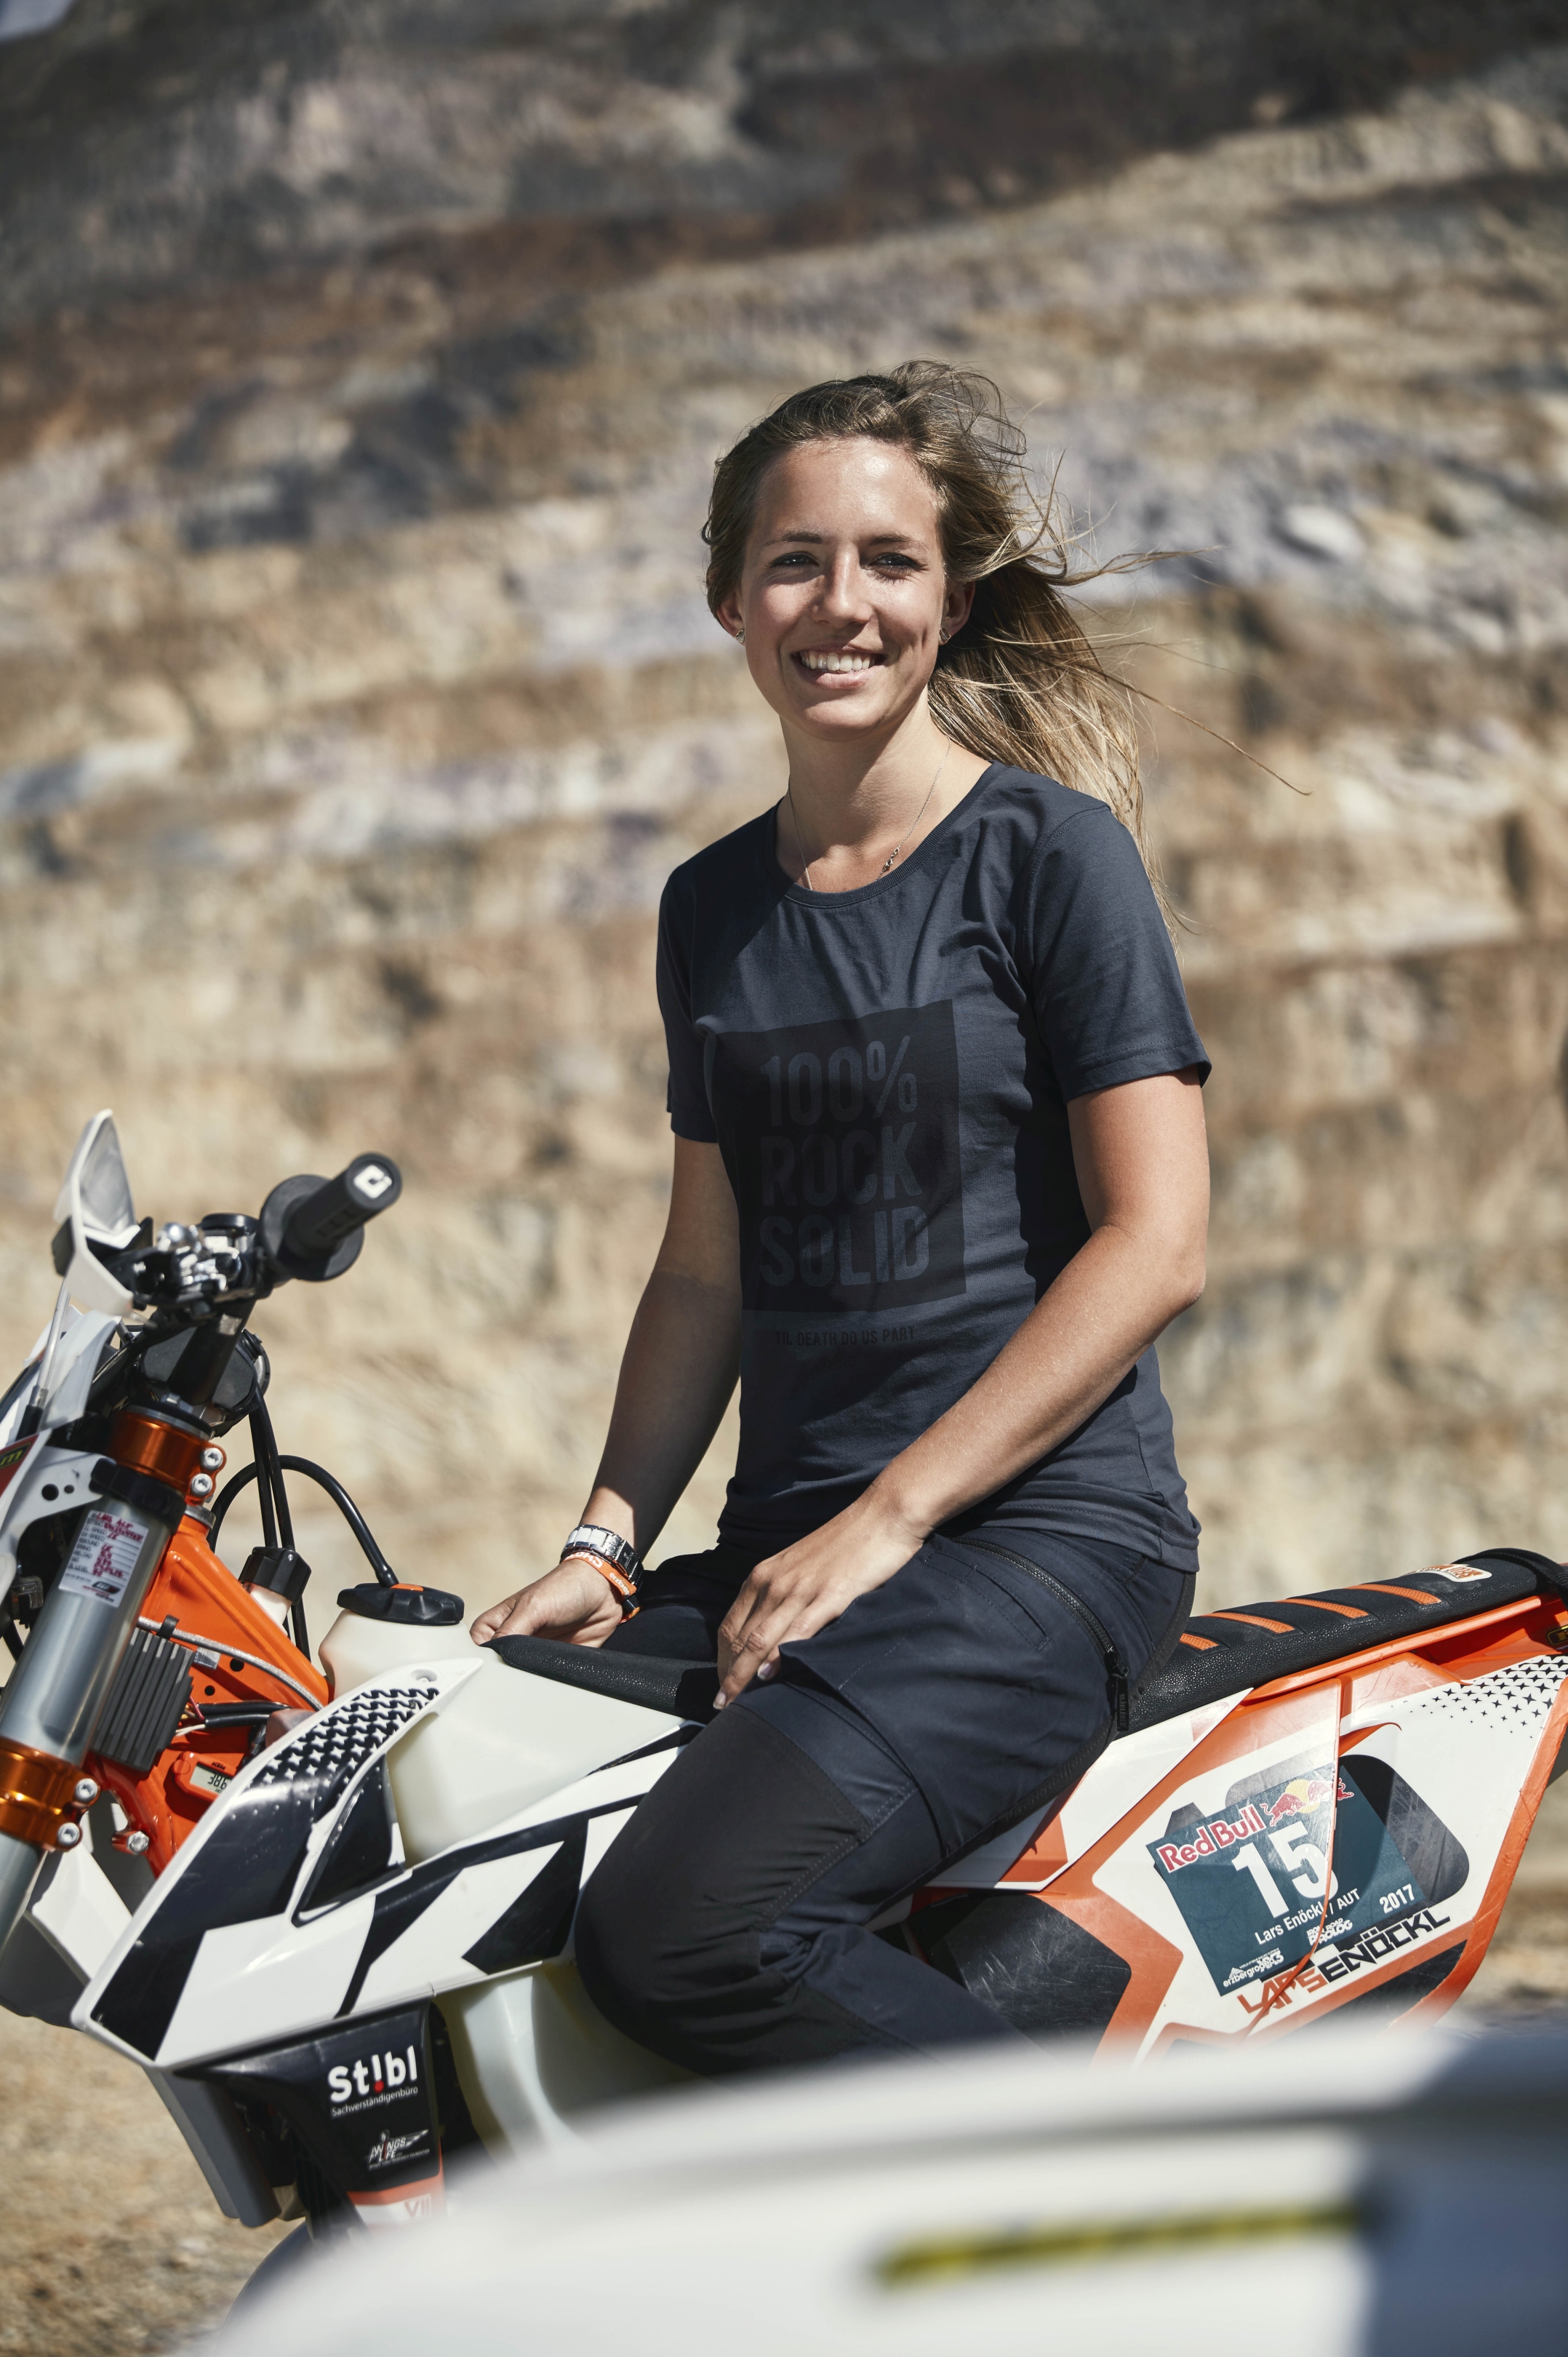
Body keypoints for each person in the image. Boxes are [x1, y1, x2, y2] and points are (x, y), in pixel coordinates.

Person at [472, 363, 1210, 2073]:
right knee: (465, 1774)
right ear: (731, 599)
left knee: (683, 1936)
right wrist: (603, 1547)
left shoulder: (1050, 859)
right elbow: (703, 1272)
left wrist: (890, 1519)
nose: (842, 604)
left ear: (952, 600)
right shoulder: (709, 908)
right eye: (795, 562)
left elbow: (1158, 1243)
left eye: (890, 561)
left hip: (1034, 1549)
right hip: (796, 1543)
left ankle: (1088, 2200)